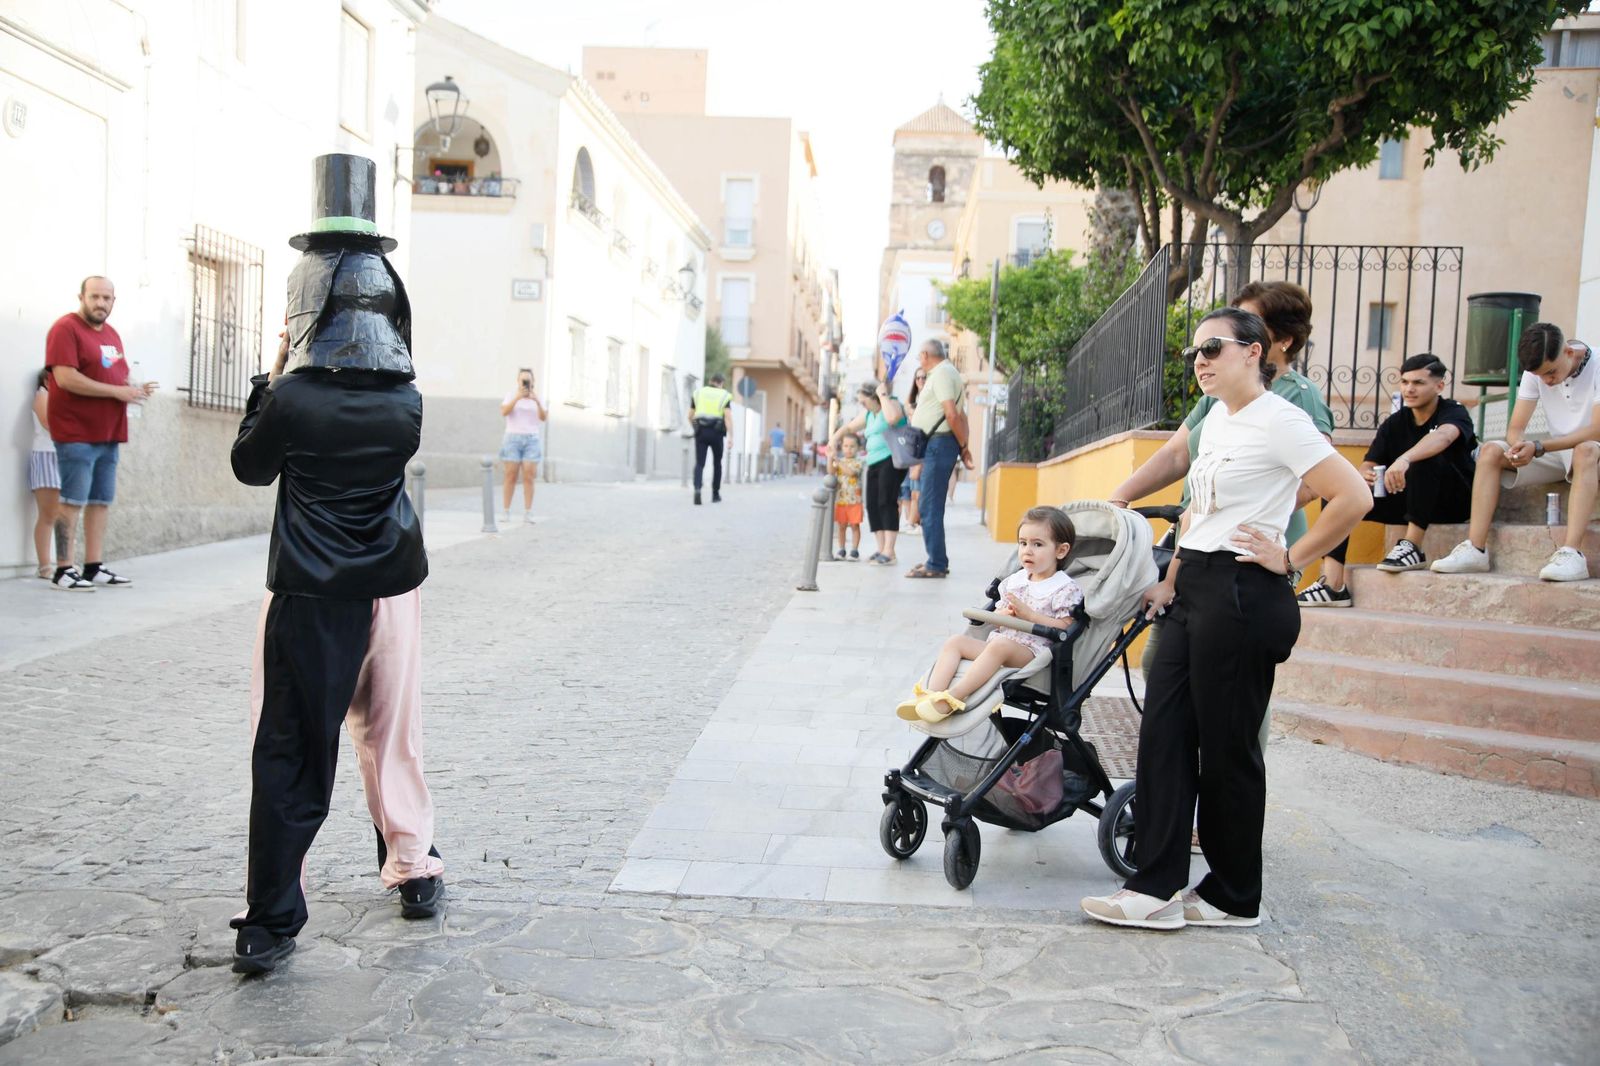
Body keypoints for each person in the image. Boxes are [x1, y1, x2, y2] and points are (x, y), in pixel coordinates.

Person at [1082, 308, 1368, 931]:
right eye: (1194, 352)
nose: (1199, 361)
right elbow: (1199, 512)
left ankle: (1234, 896)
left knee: (1227, 751)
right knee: (1163, 734)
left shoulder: (1282, 420)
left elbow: (1354, 496)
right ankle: (1153, 886)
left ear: (1254, 351)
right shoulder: (1214, 418)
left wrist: (1291, 557)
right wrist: (1171, 579)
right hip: (1195, 586)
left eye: (1212, 348)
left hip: (1244, 593)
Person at [227, 154, 445, 975]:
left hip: (311, 593)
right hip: (391, 583)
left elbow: (251, 467)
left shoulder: (293, 398)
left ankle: (270, 921)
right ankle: (413, 864)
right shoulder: (406, 402)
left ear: (307, 305)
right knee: (394, 731)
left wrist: (272, 375)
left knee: (292, 745)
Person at [1297, 355, 1476, 603]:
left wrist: (1405, 459)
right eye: (1405, 382)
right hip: (1409, 501)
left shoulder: (1454, 411)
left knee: (1422, 458)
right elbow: (1369, 463)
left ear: (1439, 386)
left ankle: (1412, 546)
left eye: (1418, 383)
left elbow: (1444, 437)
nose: (1409, 389)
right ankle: (1333, 585)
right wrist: (1364, 475)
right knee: (1339, 492)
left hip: (1453, 502)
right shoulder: (1396, 422)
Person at [1432, 323, 1599, 581]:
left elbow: (1596, 431)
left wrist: (1539, 446)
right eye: (1541, 376)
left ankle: (1572, 554)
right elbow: (1515, 428)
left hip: (1591, 453)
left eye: (1551, 372)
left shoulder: (1598, 364)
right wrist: (1519, 446)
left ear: (1568, 351)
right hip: (1559, 452)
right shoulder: (1537, 373)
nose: (1547, 381)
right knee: (1491, 451)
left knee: (1585, 450)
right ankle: (1475, 549)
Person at [894, 506, 1083, 722]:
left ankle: (952, 699)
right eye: (1023, 543)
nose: (1027, 551)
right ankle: (930, 696)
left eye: (1037, 544)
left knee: (1000, 645)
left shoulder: (1063, 588)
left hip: (1033, 653)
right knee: (955, 642)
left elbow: (1067, 628)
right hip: (1000, 645)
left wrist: (1031, 616)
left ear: (1061, 551)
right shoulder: (1016, 580)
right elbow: (999, 617)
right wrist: (1003, 615)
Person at [44, 275, 158, 591]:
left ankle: (93, 566)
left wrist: (132, 389)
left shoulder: (111, 335)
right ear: (81, 297)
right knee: (71, 501)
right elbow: (65, 378)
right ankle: (63, 569)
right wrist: (116, 391)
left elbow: (114, 375)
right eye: (94, 296)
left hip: (109, 433)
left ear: (113, 301)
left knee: (100, 501)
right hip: (76, 432)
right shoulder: (65, 329)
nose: (100, 303)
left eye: (106, 298)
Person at [905, 340, 973, 578]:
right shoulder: (945, 373)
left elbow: (952, 415)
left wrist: (963, 447)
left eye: (919, 356)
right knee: (928, 504)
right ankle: (936, 559)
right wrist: (964, 447)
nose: (919, 361)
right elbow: (960, 415)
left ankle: (936, 564)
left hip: (939, 444)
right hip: (937, 444)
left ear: (925, 355)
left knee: (929, 505)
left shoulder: (942, 373)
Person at [831, 380, 908, 564]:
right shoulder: (868, 414)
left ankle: (889, 551)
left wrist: (883, 394)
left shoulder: (892, 404)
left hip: (891, 460)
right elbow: (849, 427)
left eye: (863, 401)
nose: (862, 404)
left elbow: (892, 419)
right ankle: (881, 549)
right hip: (873, 462)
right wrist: (833, 439)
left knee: (886, 502)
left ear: (873, 397)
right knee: (873, 504)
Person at [499, 368, 547, 524]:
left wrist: (537, 401)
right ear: (518, 381)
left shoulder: (538, 398)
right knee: (510, 475)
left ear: (533, 382)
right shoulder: (511, 395)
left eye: (528, 380)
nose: (526, 383)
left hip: (532, 439)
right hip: (512, 438)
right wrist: (517, 398)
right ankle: (506, 511)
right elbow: (504, 412)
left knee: (529, 476)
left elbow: (543, 417)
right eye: (523, 380)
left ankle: (528, 512)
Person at [28, 369, 64, 581]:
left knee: (63, 515)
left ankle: (63, 564)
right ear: (46, 380)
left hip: (63, 456)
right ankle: (44, 566)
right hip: (47, 456)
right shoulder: (43, 395)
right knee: (48, 514)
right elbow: (48, 423)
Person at [689, 373, 734, 505]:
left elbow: (690, 415)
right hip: (717, 432)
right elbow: (728, 417)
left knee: (700, 463)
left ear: (710, 381)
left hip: (701, 432)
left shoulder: (698, 393)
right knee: (717, 463)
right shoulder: (724, 395)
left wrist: (695, 427)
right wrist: (731, 436)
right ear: (721, 383)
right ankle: (715, 494)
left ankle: (697, 488)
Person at [901, 369, 927, 534]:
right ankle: (912, 522)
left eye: (924, 377)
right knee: (910, 492)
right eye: (918, 378)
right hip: (911, 452)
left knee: (918, 492)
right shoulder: (911, 403)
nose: (921, 380)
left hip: (922, 452)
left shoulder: (929, 403)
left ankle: (916, 523)